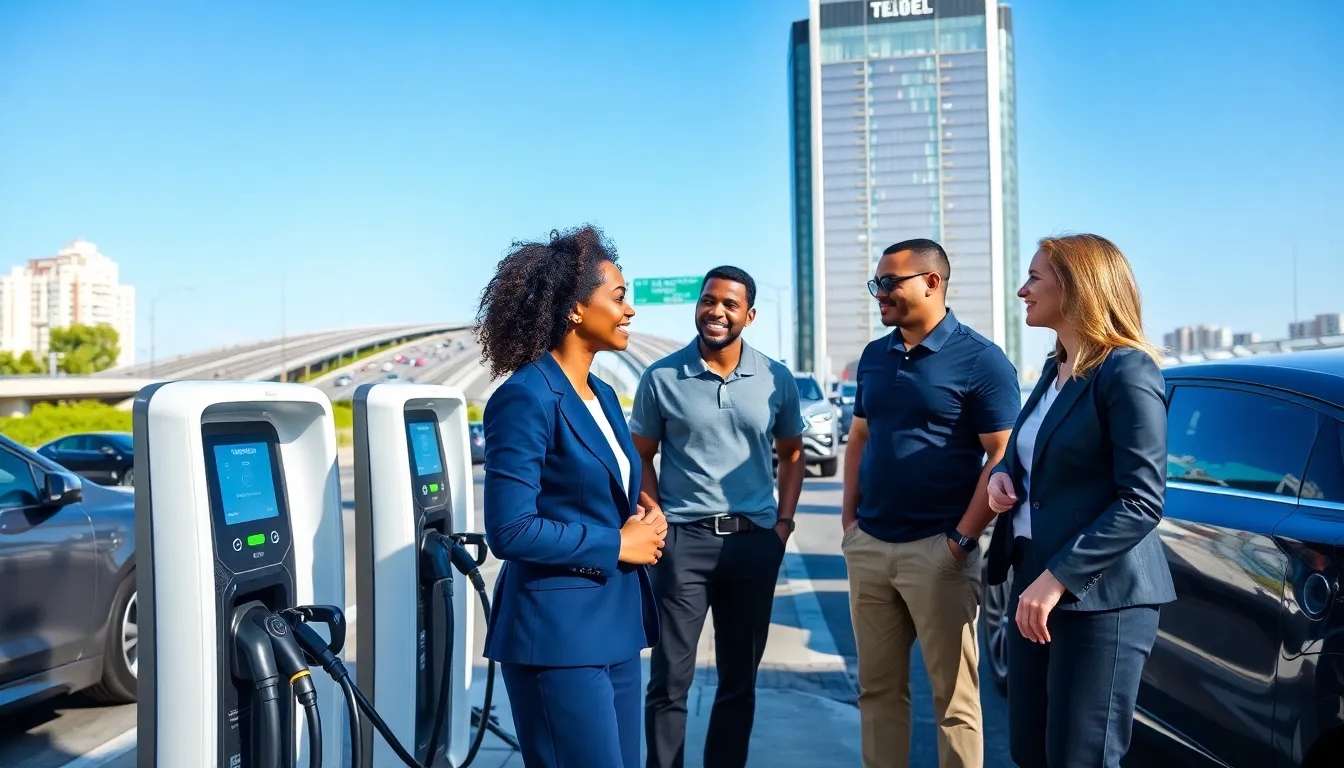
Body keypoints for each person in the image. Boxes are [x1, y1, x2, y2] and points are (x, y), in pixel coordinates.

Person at [477, 225, 665, 768]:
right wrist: (616, 543)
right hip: (557, 636)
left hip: (615, 627)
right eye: (619, 297)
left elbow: (590, 491)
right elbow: (510, 529)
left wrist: (640, 517)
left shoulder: (602, 394)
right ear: (577, 309)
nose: (630, 311)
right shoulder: (525, 397)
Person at [985, 233, 1176, 767]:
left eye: (1034, 278)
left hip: (1100, 599)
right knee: (1029, 750)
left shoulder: (1127, 370)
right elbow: (1034, 449)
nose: (1023, 290)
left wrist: (1057, 579)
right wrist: (1004, 474)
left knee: (1080, 758)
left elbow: (1141, 499)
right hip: (1034, 583)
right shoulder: (1054, 367)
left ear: (1076, 287)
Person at [841, 239, 1020, 768]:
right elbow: (859, 438)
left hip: (940, 552)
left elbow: (1002, 456)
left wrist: (961, 539)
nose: (880, 294)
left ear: (932, 282)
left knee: (956, 702)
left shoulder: (981, 360)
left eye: (890, 282)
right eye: (877, 283)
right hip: (870, 547)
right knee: (877, 693)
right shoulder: (875, 356)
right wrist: (850, 523)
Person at [630, 266, 807, 768]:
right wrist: (655, 518)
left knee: (738, 682)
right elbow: (641, 454)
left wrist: (783, 526)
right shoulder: (661, 376)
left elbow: (792, 453)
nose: (717, 311)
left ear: (748, 315)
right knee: (669, 680)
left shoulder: (776, 378)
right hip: (683, 545)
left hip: (753, 544)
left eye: (730, 304)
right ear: (697, 306)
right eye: (709, 300)